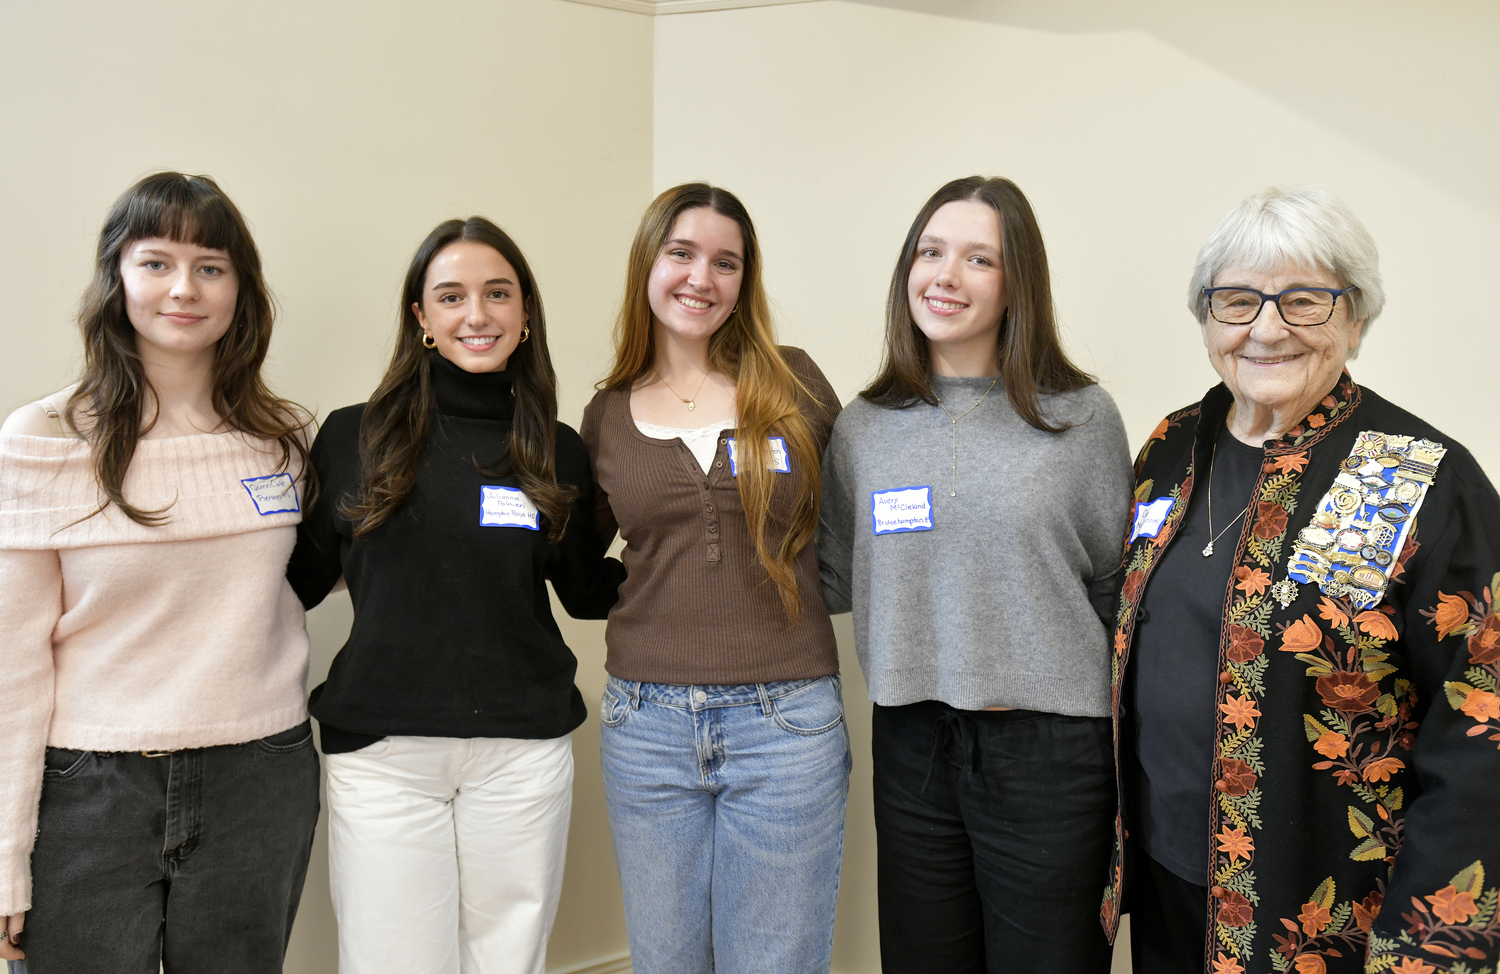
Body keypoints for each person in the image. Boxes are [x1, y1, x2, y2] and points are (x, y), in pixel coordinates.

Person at [1107, 186, 1500, 973]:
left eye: (1305, 301)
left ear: (1356, 317)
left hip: (1330, 916)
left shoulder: (1414, 473)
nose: (1267, 328)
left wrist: (1426, 941)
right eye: (1239, 300)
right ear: (1207, 319)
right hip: (1168, 884)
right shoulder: (1172, 446)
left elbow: (1482, 716)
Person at [0, 172, 319, 973]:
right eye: (157, 263)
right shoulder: (43, 435)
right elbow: (11, 665)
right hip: (88, 793)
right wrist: (6, 854)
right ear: (117, 277)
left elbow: (328, 573)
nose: (184, 289)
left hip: (261, 776)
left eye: (211, 267)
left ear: (240, 290)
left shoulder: (286, 439)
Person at [286, 216, 623, 974]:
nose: (478, 314)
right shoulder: (352, 436)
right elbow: (296, 581)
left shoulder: (556, 445)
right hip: (383, 752)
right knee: (392, 961)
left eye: (498, 293)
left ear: (526, 312)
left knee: (509, 960)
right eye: (452, 296)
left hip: (521, 748)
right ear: (422, 318)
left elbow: (585, 590)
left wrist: (703, 557)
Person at [819, 175, 1132, 973]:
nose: (944, 276)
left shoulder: (1082, 417)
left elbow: (1115, 589)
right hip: (913, 742)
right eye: (930, 252)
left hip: (1050, 753)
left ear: (1016, 280)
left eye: (978, 259)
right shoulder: (863, 428)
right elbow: (835, 576)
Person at [580, 183, 847, 973]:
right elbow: (576, 558)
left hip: (788, 720)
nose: (702, 278)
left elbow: (859, 510)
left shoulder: (792, 381)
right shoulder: (607, 413)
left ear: (744, 281)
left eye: (725, 263)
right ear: (648, 266)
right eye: (682, 254)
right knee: (665, 962)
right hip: (645, 724)